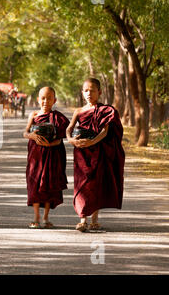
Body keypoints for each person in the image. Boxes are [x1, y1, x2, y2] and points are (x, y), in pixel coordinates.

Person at [66, 78, 125, 232]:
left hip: (97, 150)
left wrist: (92, 143)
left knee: (95, 184)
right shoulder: (78, 111)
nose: (89, 93)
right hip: (80, 151)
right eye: (86, 90)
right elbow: (69, 129)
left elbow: (105, 131)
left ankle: (94, 220)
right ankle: (82, 220)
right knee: (81, 184)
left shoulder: (105, 110)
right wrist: (71, 140)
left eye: (92, 90)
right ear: (82, 92)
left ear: (99, 92)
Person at [23, 87, 70, 229]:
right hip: (35, 155)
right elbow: (25, 132)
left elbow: (61, 139)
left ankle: (45, 217)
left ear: (54, 100)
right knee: (35, 184)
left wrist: (50, 144)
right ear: (38, 99)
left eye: (49, 98)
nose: (45, 101)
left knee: (49, 184)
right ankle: (36, 216)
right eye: (43, 98)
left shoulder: (58, 118)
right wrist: (32, 136)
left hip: (52, 154)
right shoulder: (34, 114)